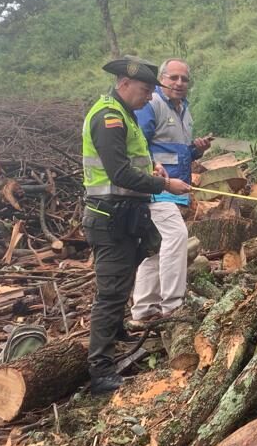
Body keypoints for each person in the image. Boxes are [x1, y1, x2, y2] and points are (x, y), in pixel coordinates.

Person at [82, 55, 191, 395]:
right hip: (108, 215)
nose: (148, 98)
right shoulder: (108, 118)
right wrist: (164, 186)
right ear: (124, 84)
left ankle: (116, 334)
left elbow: (136, 160)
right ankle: (100, 369)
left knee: (126, 276)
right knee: (111, 293)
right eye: (145, 91)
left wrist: (154, 170)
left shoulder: (126, 114)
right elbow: (119, 173)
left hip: (126, 213)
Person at [128, 58, 212, 326]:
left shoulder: (185, 110)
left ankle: (142, 310)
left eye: (184, 79)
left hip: (174, 188)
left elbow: (177, 149)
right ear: (161, 79)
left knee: (156, 246)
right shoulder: (151, 105)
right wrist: (153, 171)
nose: (179, 83)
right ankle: (172, 307)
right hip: (154, 188)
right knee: (176, 236)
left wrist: (196, 149)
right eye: (173, 78)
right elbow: (137, 145)